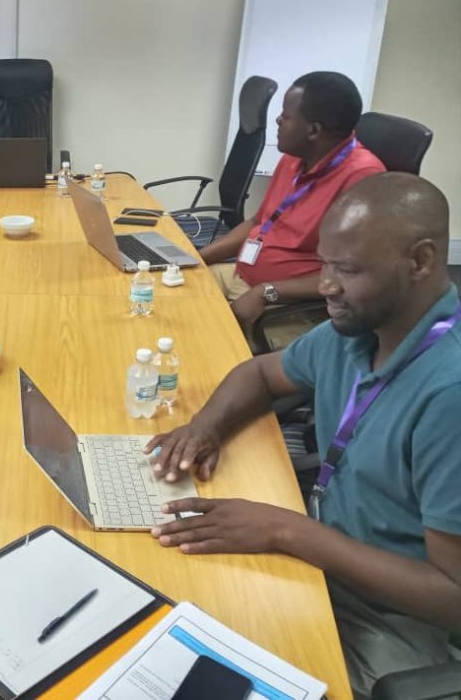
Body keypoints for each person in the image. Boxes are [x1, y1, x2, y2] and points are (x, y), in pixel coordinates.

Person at [147, 173, 461, 698]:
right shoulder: (357, 331)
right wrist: (204, 428)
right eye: (324, 264)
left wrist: (287, 531)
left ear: (421, 261)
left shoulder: (449, 394)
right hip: (321, 557)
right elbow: (260, 373)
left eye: (347, 270)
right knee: (165, 605)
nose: (325, 286)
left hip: (393, 619)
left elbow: (453, 596)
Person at [200, 72, 385, 345]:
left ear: (314, 130)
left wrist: (267, 292)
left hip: (287, 305)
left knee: (205, 344)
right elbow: (258, 223)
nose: (278, 120)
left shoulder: (362, 178)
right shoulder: (293, 158)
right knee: (172, 293)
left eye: (286, 116)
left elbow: (352, 274)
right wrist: (196, 259)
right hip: (242, 275)